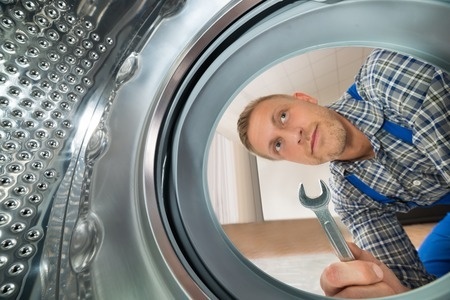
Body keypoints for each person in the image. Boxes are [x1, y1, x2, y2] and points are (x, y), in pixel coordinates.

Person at [237, 48, 450, 298]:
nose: (295, 135)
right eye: (279, 145)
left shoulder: (385, 75)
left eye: (283, 116)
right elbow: (412, 287)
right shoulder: (350, 197)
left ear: (304, 98)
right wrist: (395, 291)